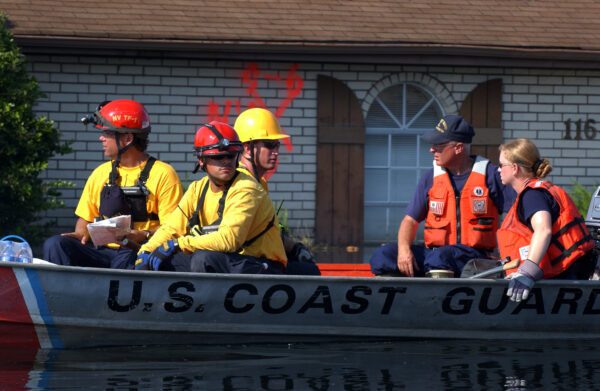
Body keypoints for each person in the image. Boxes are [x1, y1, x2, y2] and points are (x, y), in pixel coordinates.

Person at [369, 115, 515, 277]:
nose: (432, 149)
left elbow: (517, 215)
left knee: (441, 257)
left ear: (458, 148)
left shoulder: (491, 175)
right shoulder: (430, 178)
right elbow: (409, 220)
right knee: (384, 254)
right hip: (435, 255)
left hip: (474, 259)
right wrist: (404, 251)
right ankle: (392, 297)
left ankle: (436, 296)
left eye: (438, 145)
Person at [43, 99, 183, 268]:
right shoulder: (100, 173)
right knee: (55, 244)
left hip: (138, 251)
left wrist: (142, 235)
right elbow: (85, 219)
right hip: (102, 250)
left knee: (127, 258)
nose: (101, 138)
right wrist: (81, 232)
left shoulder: (164, 174)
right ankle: (62, 293)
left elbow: (174, 228)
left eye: (107, 133)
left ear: (128, 138)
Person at [135, 121, 287, 274]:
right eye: (219, 157)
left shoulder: (246, 188)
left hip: (262, 265)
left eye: (231, 155)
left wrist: (177, 244)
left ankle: (202, 297)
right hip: (231, 261)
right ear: (202, 160)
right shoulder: (197, 189)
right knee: (163, 260)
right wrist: (146, 251)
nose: (226, 161)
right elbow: (171, 228)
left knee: (203, 258)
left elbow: (229, 241)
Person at [497, 138, 596, 302]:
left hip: (563, 277)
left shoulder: (532, 195)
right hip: (571, 272)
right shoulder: (538, 190)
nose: (498, 170)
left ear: (514, 168)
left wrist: (527, 272)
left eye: (501, 165)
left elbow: (543, 230)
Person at [234, 107, 320, 275]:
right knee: (311, 273)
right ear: (246, 148)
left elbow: (264, 230)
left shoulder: (259, 183)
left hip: (259, 261)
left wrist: (295, 247)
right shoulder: (243, 184)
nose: (275, 152)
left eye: (277, 145)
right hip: (250, 264)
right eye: (269, 145)